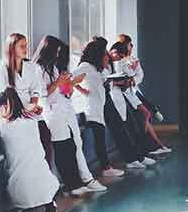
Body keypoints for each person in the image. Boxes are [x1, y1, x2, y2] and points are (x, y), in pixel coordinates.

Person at [33, 36, 104, 196]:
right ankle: (72, 184)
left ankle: (80, 180)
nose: (58, 55)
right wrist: (59, 83)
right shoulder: (37, 69)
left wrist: (70, 85)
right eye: (56, 52)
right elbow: (43, 94)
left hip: (64, 108)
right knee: (62, 147)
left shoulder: (54, 68)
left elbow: (63, 92)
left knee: (73, 145)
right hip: (52, 112)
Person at [72, 40, 125, 178]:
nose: (107, 57)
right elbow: (70, 80)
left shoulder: (95, 68)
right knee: (99, 139)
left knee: (100, 138)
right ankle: (106, 168)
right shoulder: (85, 66)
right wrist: (82, 90)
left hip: (98, 107)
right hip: (91, 109)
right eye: (104, 55)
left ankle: (105, 167)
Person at [101, 40, 155, 169]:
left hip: (122, 98)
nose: (110, 55)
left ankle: (139, 156)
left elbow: (130, 79)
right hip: (111, 101)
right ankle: (133, 158)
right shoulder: (100, 66)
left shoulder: (114, 64)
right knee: (123, 132)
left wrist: (129, 74)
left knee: (133, 127)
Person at [116, 34, 171, 155]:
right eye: (129, 45)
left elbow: (140, 75)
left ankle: (157, 145)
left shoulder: (133, 59)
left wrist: (134, 75)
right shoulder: (120, 60)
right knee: (144, 115)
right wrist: (133, 73)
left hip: (134, 90)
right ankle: (151, 145)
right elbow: (128, 76)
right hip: (127, 93)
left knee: (146, 115)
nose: (131, 47)